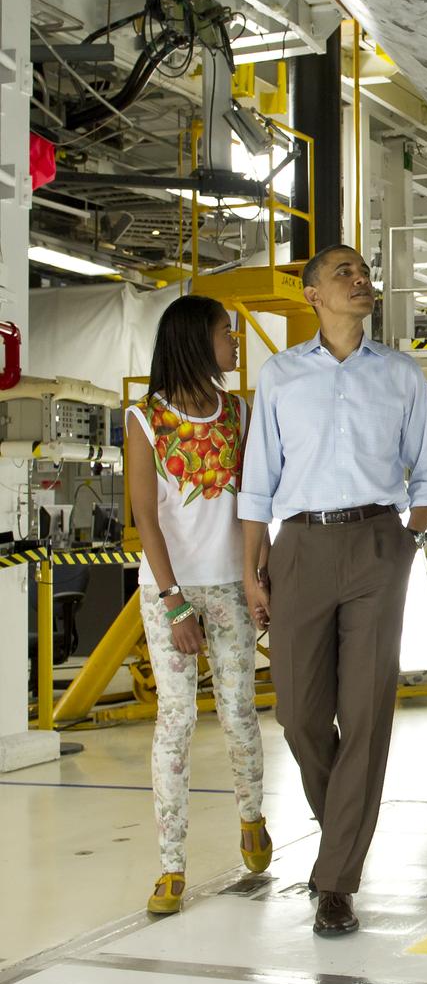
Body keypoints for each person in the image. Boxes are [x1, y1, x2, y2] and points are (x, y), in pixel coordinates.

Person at [238, 245, 427, 937]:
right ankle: (342, 840)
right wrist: (252, 567)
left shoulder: (400, 374)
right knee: (299, 715)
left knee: (366, 715)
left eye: (364, 272)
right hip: (299, 545)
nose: (361, 280)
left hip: (377, 545)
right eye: (343, 273)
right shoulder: (280, 376)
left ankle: (336, 885)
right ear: (312, 294)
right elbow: (258, 480)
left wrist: (405, 543)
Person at [126, 295, 271, 916]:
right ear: (193, 339)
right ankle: (171, 864)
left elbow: (254, 503)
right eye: (225, 333)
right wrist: (175, 601)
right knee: (177, 721)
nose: (234, 344)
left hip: (232, 587)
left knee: (239, 712)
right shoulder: (144, 418)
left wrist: (257, 577)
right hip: (171, 592)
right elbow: (146, 518)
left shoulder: (240, 412)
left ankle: (251, 816)